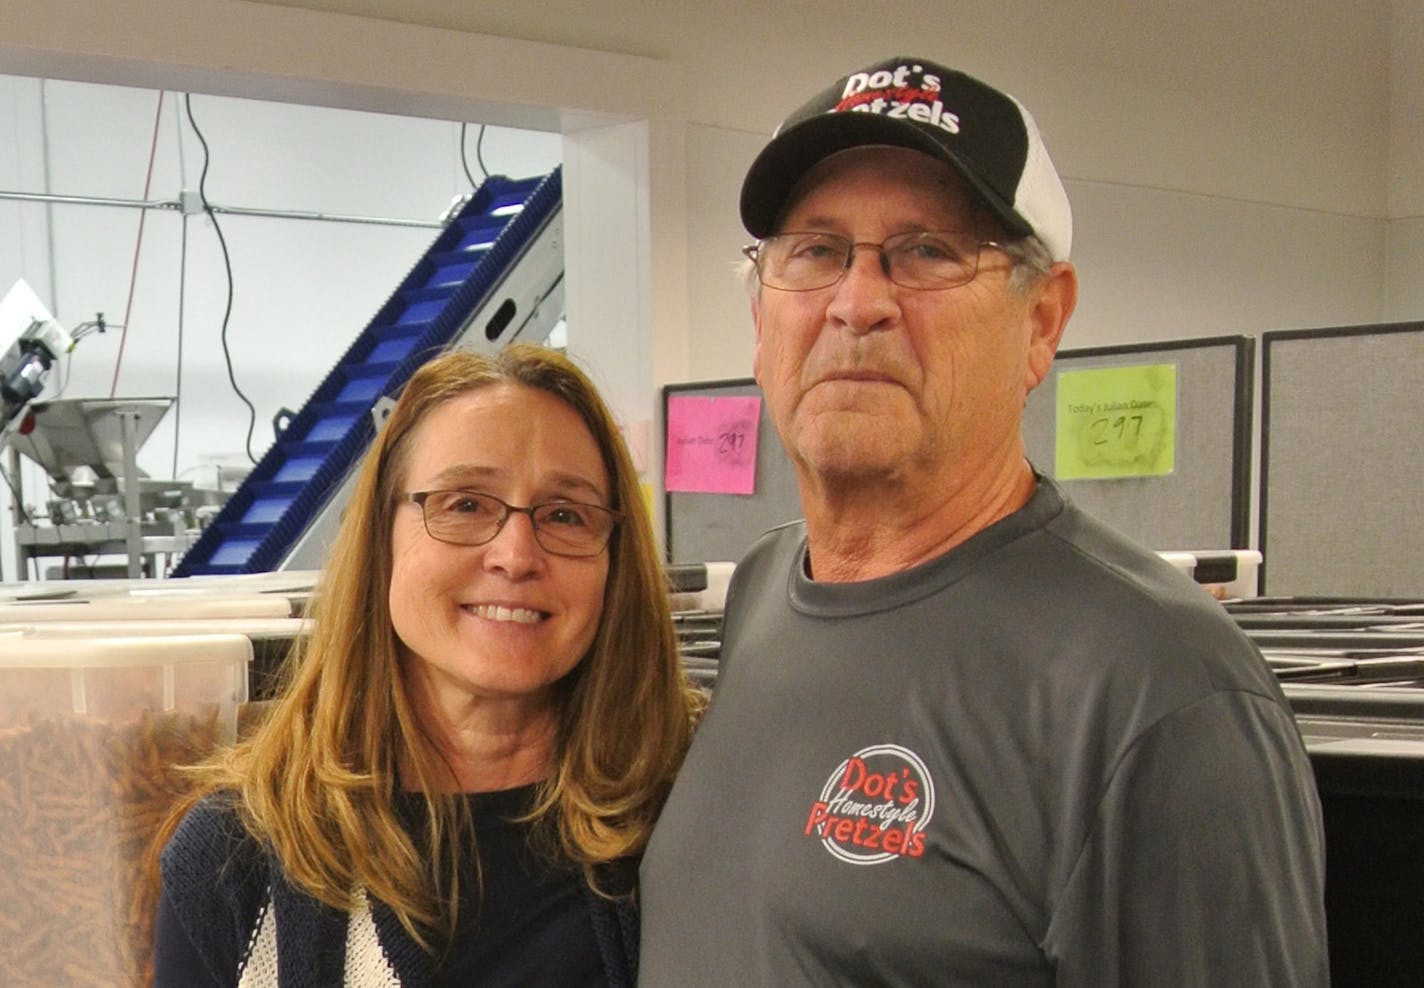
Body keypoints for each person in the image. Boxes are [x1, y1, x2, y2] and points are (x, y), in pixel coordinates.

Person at [638, 56, 1328, 985]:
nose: (857, 302)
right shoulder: (766, 591)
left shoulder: (1158, 691)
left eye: (927, 250)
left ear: (1042, 320)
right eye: (814, 250)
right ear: (761, 321)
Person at [151, 344, 702, 986]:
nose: (516, 555)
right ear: (381, 537)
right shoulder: (236, 856)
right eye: (465, 504)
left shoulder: (690, 813)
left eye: (564, 515)